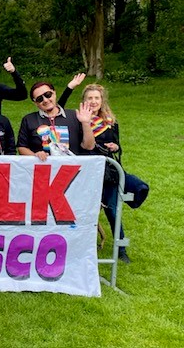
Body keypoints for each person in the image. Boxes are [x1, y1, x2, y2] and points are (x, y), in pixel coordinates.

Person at [58, 80, 131, 263]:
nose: (93, 101)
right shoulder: (77, 117)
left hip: (106, 170)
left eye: (96, 98)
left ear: (102, 100)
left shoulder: (110, 122)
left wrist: (115, 146)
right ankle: (78, 246)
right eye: (89, 97)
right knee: (80, 210)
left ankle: (121, 249)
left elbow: (117, 145)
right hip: (84, 171)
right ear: (84, 99)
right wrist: (70, 88)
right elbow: (59, 107)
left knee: (113, 209)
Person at [17, 81, 95, 161]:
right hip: (43, 168)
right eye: (40, 99)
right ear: (36, 103)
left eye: (48, 95)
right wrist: (35, 156)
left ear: (54, 93)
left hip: (72, 169)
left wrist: (85, 123)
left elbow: (89, 146)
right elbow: (21, 147)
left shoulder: (74, 116)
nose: (45, 100)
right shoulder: (29, 119)